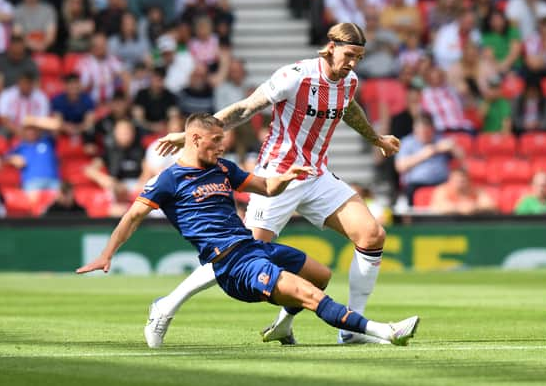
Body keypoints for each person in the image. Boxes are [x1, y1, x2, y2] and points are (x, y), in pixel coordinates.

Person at [152, 23, 401, 347]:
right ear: (331, 47)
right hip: (277, 177)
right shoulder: (295, 76)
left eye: (359, 57)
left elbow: (347, 107)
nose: (353, 63)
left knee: (371, 234)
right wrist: (190, 136)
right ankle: (165, 306)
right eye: (349, 55)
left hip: (316, 175)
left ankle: (350, 329)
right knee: (239, 255)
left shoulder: (349, 81)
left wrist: (376, 138)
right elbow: (245, 108)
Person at [76, 113, 419, 347]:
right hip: (231, 263)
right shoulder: (167, 179)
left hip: (253, 248)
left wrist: (284, 179)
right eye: (215, 141)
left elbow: (266, 188)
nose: (221, 146)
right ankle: (383, 332)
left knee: (320, 275)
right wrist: (107, 254)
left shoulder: (223, 167)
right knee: (311, 296)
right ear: (194, 139)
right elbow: (132, 216)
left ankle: (282, 328)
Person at [395, 112, 463, 206]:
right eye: (420, 131)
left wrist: (453, 148)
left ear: (432, 129)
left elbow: (462, 158)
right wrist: (426, 153)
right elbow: (400, 167)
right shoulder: (407, 143)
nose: (423, 134)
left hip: (442, 183)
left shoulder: (441, 140)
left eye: (426, 131)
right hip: (416, 185)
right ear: (415, 129)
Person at [429, 168, 497, 215]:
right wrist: (459, 208)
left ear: (468, 181)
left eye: (462, 181)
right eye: (456, 181)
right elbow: (438, 206)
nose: (459, 183)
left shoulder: (477, 191)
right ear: (450, 181)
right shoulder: (442, 190)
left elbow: (490, 205)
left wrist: (474, 207)